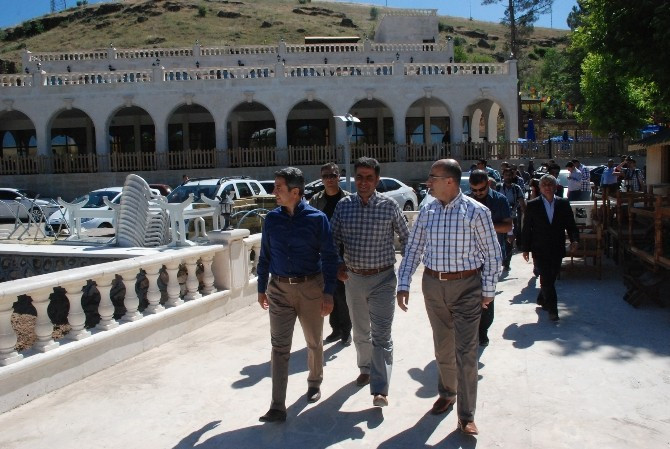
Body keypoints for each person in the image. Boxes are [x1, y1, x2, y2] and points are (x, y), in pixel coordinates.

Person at [396, 159, 502, 436]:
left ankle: (466, 416)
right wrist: (404, 282)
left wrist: (488, 290)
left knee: (466, 352)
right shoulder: (427, 210)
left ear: (450, 181)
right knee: (442, 346)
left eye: (433, 177)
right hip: (433, 286)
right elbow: (413, 249)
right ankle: (447, 393)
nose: (428, 182)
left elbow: (493, 254)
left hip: (466, 287)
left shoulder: (476, 212)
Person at [256, 167, 339, 423]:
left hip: (311, 288)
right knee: (279, 347)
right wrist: (261, 287)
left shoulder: (317, 219)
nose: (274, 192)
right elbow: (264, 256)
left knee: (314, 341)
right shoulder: (272, 220)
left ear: (295, 192)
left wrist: (329, 293)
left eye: (278, 187)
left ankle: (314, 382)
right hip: (279, 289)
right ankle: (277, 405)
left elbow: (329, 257)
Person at [330, 157, 410, 408]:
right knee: (361, 331)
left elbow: (407, 238)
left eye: (369, 178)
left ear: (377, 180)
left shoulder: (389, 206)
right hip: (353, 279)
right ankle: (365, 368)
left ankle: (380, 388)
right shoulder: (344, 206)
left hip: (383, 279)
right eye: (359, 177)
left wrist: (405, 274)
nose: (363, 182)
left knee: (382, 335)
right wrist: (337, 265)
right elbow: (331, 240)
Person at [520, 174, 579, 321]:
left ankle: (542, 298)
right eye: (544, 185)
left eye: (550, 184)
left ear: (555, 187)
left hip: (557, 246)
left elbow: (571, 224)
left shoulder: (563, 203)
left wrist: (574, 240)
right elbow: (527, 228)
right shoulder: (533, 205)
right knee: (546, 277)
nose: (547, 187)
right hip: (539, 248)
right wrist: (525, 248)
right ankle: (553, 310)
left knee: (551, 276)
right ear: (540, 188)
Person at [309, 162, 352, 346]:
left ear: (338, 177)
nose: (329, 179)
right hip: (324, 253)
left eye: (333, 175)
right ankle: (336, 329)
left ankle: (347, 330)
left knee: (343, 294)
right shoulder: (316, 200)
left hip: (344, 253)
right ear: (321, 178)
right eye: (326, 176)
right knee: (329, 292)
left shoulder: (349, 199)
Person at [466, 169, 511, 346]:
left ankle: (483, 331)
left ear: (489, 184)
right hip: (470, 257)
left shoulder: (500, 200)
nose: (477, 194)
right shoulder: (466, 201)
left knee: (487, 296)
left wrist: (484, 225)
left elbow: (507, 226)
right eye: (474, 190)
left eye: (481, 190)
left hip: (491, 256)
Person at [497, 168, 526, 271]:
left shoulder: (516, 189)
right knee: (498, 240)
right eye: (506, 175)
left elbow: (522, 202)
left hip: (512, 217)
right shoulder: (498, 187)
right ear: (503, 176)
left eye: (510, 175)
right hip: (499, 218)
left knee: (510, 240)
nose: (508, 177)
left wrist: (525, 214)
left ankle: (507, 262)